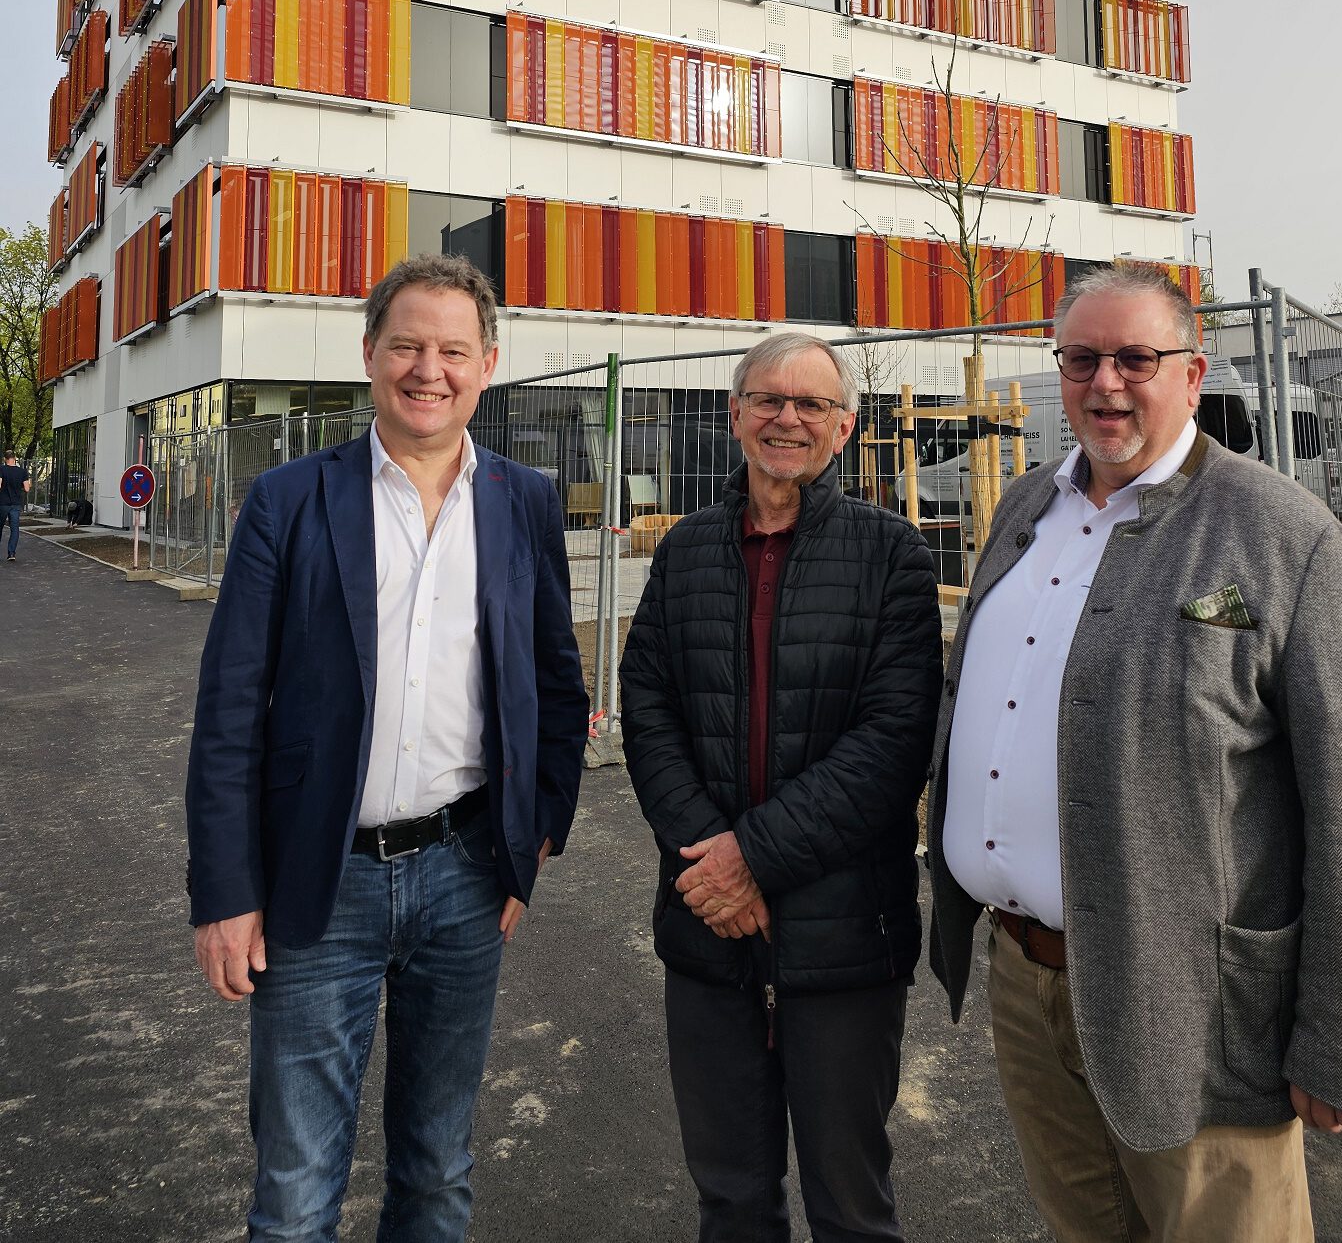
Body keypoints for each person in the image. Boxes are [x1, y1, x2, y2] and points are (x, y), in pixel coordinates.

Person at [927, 264, 1342, 1242]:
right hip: (1026, 983)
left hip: (1192, 1008)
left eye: (1136, 358)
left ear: (1192, 374)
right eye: (1080, 358)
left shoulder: (1284, 535)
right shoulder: (1024, 508)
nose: (1105, 382)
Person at [186, 253, 589, 1241]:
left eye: (453, 349)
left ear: (487, 364)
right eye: (407, 344)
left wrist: (531, 839)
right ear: (369, 352)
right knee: (294, 1190)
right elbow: (231, 704)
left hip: (464, 875)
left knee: (438, 1172)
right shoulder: (289, 498)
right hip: (317, 882)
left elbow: (555, 683)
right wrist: (227, 890)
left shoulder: (525, 501)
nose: (428, 368)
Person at [621, 331, 942, 1243]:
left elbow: (891, 747)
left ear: (843, 429)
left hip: (842, 937)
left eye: (811, 406)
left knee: (850, 1204)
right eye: (769, 400)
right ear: (734, 415)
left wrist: (751, 860)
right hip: (707, 932)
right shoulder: (684, 552)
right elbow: (647, 710)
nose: (787, 419)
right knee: (730, 1197)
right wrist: (710, 867)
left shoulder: (894, 559)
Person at [1, 450, 30, 561]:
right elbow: (27, 488)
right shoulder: (22, 472)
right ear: (15, 458)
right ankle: (11, 553)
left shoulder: (1, 469)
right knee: (14, 528)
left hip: (2, 503)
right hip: (16, 504)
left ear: (5, 459)